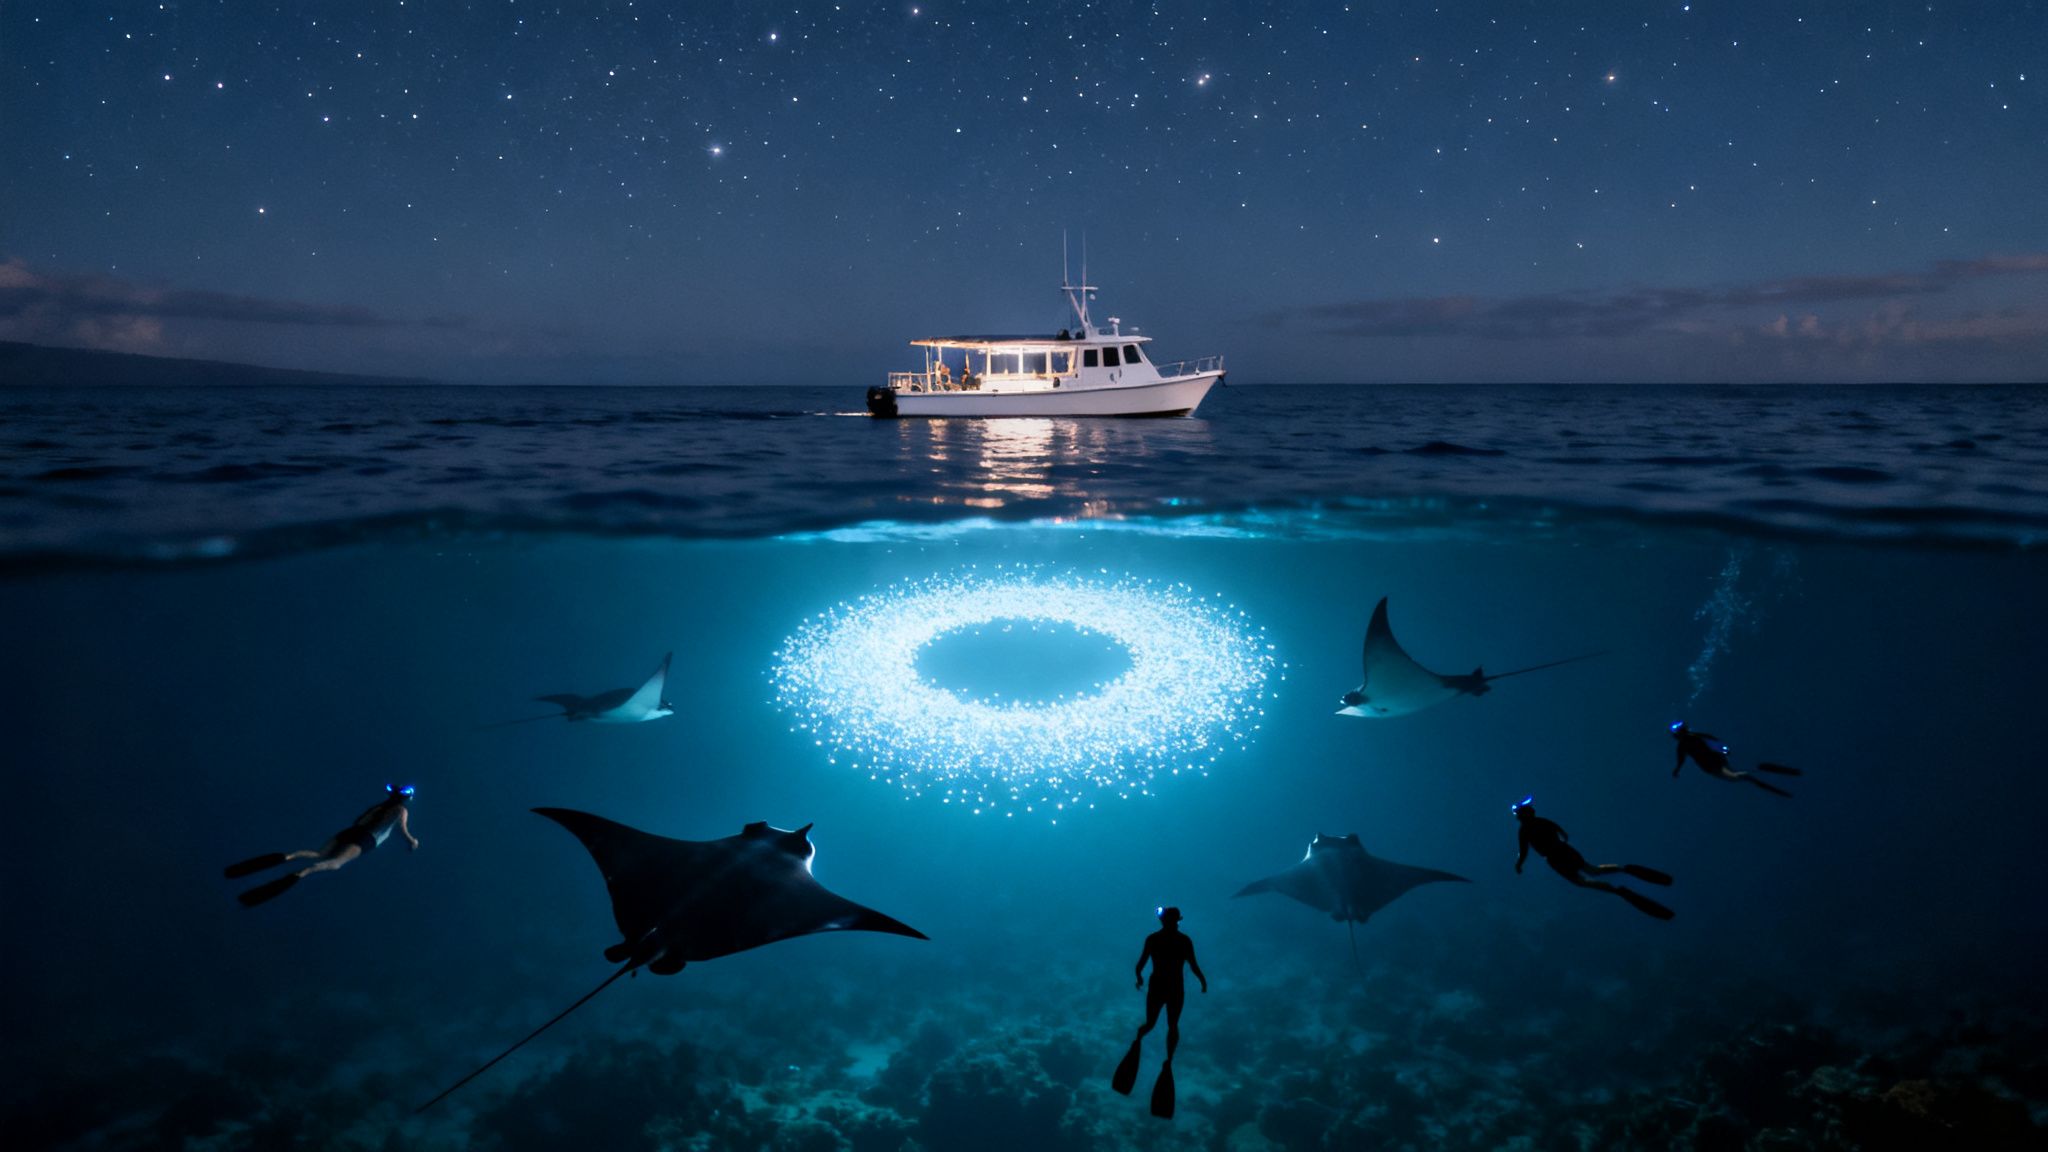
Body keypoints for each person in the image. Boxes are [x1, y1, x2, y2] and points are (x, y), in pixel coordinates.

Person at [224, 783, 420, 907]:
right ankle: (303, 873)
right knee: (335, 864)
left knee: (318, 853)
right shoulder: (400, 810)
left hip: (350, 832)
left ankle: (289, 857)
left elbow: (360, 820)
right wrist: (412, 841)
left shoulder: (379, 806)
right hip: (366, 839)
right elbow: (402, 830)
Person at [1512, 797, 1674, 920]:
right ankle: (1623, 869)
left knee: (1581, 881)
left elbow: (1524, 851)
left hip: (1555, 858)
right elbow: (1562, 832)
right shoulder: (1542, 821)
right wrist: (1562, 839)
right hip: (1565, 850)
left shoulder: (1524, 831)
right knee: (1593, 870)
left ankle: (1617, 890)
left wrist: (1519, 864)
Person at [1113, 906, 1207, 1117]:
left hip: (1157, 987)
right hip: (1175, 988)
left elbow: (1139, 965)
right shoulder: (1184, 941)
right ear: (1178, 921)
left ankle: (1138, 1042)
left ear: (1163, 921)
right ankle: (1168, 1061)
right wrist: (1202, 981)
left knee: (1150, 1024)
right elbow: (1193, 965)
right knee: (1172, 1026)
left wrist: (1139, 979)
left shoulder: (1153, 939)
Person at [1670, 721, 1799, 797]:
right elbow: (1714, 741)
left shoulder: (1683, 745)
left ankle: (1750, 775)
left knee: (1733, 777)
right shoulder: (1696, 736)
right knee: (1732, 772)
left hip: (1711, 766)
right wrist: (1724, 750)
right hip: (1718, 760)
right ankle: (1754, 771)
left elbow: (1681, 760)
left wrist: (1677, 770)